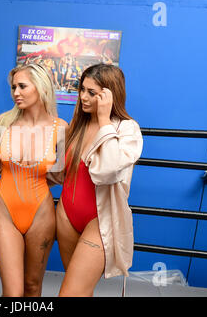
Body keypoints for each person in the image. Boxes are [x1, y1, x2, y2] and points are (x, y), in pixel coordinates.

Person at [0, 63, 68, 297]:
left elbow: (61, 175)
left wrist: (35, 176)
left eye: (22, 86)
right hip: (5, 211)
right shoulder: (3, 123)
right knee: (12, 291)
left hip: (41, 212)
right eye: (13, 87)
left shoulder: (60, 128)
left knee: (32, 287)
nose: (15, 92)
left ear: (40, 87)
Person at [56, 63, 143, 297]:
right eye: (82, 89)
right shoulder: (78, 123)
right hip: (66, 215)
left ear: (109, 95)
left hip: (99, 220)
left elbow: (109, 171)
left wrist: (104, 120)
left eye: (92, 93)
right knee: (81, 291)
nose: (83, 97)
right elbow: (60, 172)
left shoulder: (127, 129)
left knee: (70, 294)